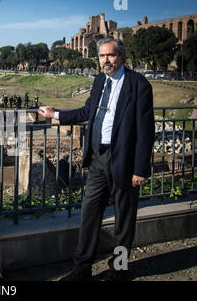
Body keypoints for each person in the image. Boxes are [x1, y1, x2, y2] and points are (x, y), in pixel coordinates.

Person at [38, 37, 154, 281]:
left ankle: (119, 271)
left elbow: (146, 130)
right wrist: (55, 113)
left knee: (124, 220)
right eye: (102, 56)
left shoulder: (138, 84)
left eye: (110, 55)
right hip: (99, 158)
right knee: (89, 213)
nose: (105, 60)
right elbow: (86, 112)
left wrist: (141, 169)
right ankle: (82, 270)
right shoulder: (100, 81)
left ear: (121, 57)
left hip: (125, 159)